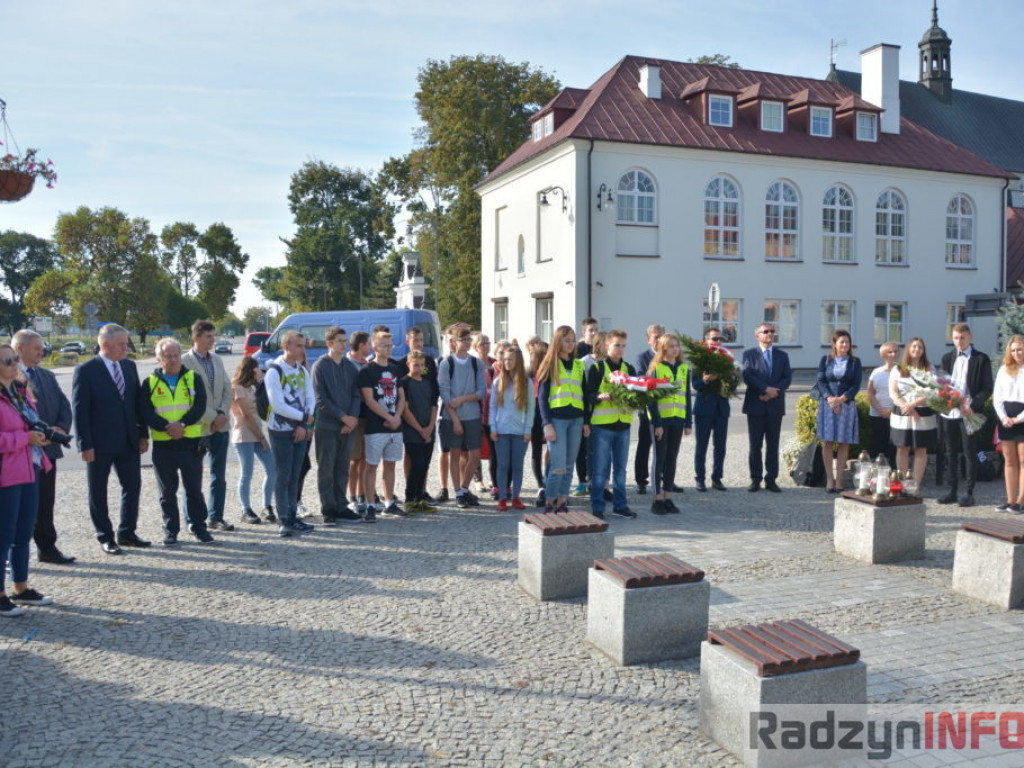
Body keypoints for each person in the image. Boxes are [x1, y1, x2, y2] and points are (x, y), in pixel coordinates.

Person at [72, 323, 150, 554]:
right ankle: (105, 536)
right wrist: (85, 444)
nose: (126, 348)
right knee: (98, 490)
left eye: (127, 343)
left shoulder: (128, 366)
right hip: (99, 444)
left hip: (128, 441)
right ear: (105, 345)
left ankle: (127, 532)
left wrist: (142, 434)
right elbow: (80, 410)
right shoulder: (86, 370)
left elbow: (137, 404)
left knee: (133, 486)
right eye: (122, 344)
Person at [139, 338, 215, 545]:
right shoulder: (150, 383)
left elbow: (199, 407)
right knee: (167, 492)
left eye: (175, 355)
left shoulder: (193, 378)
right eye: (167, 356)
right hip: (164, 445)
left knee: (194, 490)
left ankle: (199, 527)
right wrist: (167, 427)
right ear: (158, 359)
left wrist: (181, 424)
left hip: (190, 443)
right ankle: (171, 530)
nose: (172, 360)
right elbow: (145, 412)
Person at [1, 342, 54, 617]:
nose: (14, 364)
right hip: (6, 474)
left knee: (23, 532)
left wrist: (43, 433)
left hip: (30, 467)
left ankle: (21, 589)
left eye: (14, 359)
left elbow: (31, 423)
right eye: (8, 361)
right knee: (4, 534)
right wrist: (26, 438)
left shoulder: (20, 391)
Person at [13, 329, 74, 564]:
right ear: (20, 349)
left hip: (49, 450)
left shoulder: (46, 375)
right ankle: (14, 555)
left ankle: (47, 547)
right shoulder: (9, 378)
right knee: (20, 506)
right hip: (22, 453)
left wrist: (60, 428)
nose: (42, 352)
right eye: (37, 348)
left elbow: (63, 404)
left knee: (45, 502)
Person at [182, 320, 233, 531]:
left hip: (220, 427)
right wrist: (211, 416)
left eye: (213, 335)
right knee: (192, 477)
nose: (213, 340)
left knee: (218, 475)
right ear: (196, 337)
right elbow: (188, 398)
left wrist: (221, 414)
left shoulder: (217, 360)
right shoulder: (184, 361)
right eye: (208, 336)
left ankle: (216, 516)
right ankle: (193, 520)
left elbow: (227, 389)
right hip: (197, 427)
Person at [265, 330, 316, 536]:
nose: (303, 350)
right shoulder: (274, 372)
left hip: (301, 429)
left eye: (304, 346)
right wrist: (302, 419)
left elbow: (310, 398)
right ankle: (284, 519)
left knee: (296, 474)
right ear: (286, 347)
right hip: (280, 431)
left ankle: (294, 516)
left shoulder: (302, 371)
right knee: (283, 475)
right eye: (298, 346)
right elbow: (277, 404)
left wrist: (304, 425)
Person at [311, 327, 363, 524]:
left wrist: (352, 419)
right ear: (329, 343)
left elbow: (356, 395)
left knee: (342, 468)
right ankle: (328, 508)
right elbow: (320, 399)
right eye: (340, 341)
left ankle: (341, 505)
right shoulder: (320, 366)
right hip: (327, 426)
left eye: (345, 340)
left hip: (348, 427)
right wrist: (343, 417)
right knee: (326, 469)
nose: (344, 344)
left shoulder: (350, 367)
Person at [937, 323, 993, 508]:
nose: (959, 342)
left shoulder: (981, 359)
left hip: (970, 413)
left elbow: (987, 388)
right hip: (950, 413)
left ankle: (969, 492)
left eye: (962, 338)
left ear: (970, 337)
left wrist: (973, 404)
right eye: (955, 338)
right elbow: (942, 385)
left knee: (970, 452)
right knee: (950, 452)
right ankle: (952, 490)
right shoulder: (947, 358)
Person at [586, 329, 638, 519]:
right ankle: (598, 507)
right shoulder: (598, 369)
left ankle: (620, 505)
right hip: (602, 426)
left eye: (623, 345)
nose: (620, 349)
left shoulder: (629, 369)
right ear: (607, 346)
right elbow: (589, 395)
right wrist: (599, 397)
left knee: (621, 469)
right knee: (600, 469)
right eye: (617, 345)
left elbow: (635, 394)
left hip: (623, 425)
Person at [358, 331, 407, 519]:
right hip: (375, 426)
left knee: (391, 465)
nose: (389, 348)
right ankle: (370, 504)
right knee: (371, 466)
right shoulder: (367, 371)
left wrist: (397, 417)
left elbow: (401, 396)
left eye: (391, 345)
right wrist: (388, 416)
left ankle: (389, 502)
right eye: (385, 345)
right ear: (375, 347)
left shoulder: (395, 369)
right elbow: (369, 400)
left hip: (395, 426)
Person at [539, 326, 585, 515]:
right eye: (567, 340)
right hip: (556, 421)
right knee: (557, 466)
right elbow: (542, 398)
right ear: (558, 342)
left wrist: (587, 422)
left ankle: (563, 501)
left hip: (576, 419)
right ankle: (549, 501)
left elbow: (585, 392)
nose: (571, 344)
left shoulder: (579, 365)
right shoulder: (550, 364)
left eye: (573, 340)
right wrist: (546, 424)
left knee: (568, 465)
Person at [438, 328, 485, 509]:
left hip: (472, 415)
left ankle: (465, 489)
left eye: (468, 339)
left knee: (475, 454)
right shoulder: (446, 364)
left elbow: (481, 391)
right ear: (454, 342)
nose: (466, 342)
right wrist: (455, 419)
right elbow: (445, 393)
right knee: (455, 454)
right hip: (452, 417)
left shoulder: (476, 363)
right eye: (462, 339)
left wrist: (464, 399)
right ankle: (457, 492)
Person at [741, 322, 791, 493]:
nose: (770, 334)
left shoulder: (782, 355)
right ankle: (755, 479)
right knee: (755, 445)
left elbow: (787, 378)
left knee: (773, 444)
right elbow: (748, 376)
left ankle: (771, 479)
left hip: (775, 405)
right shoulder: (749, 354)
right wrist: (764, 389)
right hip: (756, 405)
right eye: (766, 331)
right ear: (758, 336)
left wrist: (772, 392)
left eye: (772, 331)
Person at [647, 334, 692, 513]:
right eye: (671, 346)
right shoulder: (656, 369)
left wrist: (688, 422)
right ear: (663, 349)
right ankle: (656, 499)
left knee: (672, 459)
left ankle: (668, 497)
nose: (675, 349)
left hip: (678, 419)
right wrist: (656, 423)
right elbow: (650, 399)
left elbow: (687, 397)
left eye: (677, 346)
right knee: (660, 459)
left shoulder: (683, 369)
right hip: (661, 421)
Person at [888, 337, 938, 496]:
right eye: (914, 346)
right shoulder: (898, 368)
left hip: (923, 413)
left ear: (923, 351)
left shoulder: (929, 368)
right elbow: (893, 392)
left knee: (920, 449)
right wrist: (906, 406)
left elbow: (932, 391)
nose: (917, 349)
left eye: (920, 347)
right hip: (902, 413)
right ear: (909, 349)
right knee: (902, 448)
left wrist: (913, 405)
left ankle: (915, 486)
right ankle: (902, 484)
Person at [230, 356, 276, 524]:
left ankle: (267, 506)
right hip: (244, 435)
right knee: (247, 473)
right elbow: (247, 416)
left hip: (257, 433)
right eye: (257, 368)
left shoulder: (252, 388)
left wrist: (263, 381)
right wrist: (262, 437)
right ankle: (246, 508)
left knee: (271, 469)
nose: (259, 371)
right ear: (250, 369)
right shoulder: (238, 388)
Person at [815, 330, 862, 494]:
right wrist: (830, 399)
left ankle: (840, 479)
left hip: (847, 405)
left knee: (843, 442)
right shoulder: (826, 360)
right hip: (827, 405)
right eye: (841, 342)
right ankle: (830, 479)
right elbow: (820, 380)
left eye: (847, 342)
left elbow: (856, 385)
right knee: (827, 442)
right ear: (834, 344)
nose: (844, 345)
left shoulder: (855, 362)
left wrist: (841, 400)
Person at [490, 345, 534, 511]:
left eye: (510, 359)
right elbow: (493, 407)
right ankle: (502, 498)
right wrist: (493, 428)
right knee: (502, 465)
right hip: (501, 431)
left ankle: (515, 497)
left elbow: (530, 409)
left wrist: (528, 429)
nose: (506, 362)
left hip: (519, 432)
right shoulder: (497, 382)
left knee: (517, 465)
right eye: (505, 359)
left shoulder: (526, 383)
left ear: (518, 361)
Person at [398, 326, 438, 504]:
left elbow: (434, 399)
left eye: (421, 340)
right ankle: (411, 496)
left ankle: (420, 495)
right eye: (415, 340)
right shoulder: (401, 369)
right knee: (416, 462)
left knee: (424, 464)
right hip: (412, 426)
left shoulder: (430, 364)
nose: (418, 343)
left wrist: (429, 426)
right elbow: (403, 405)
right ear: (408, 341)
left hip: (428, 422)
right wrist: (420, 429)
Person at [692, 327, 730, 492]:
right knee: (702, 446)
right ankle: (700, 479)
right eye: (714, 339)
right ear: (707, 341)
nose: (718, 342)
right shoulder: (699, 360)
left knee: (720, 446)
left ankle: (717, 478)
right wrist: (706, 381)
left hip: (721, 408)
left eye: (721, 339)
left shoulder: (728, 359)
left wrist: (727, 390)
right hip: (704, 409)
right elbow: (695, 385)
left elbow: (733, 382)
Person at [994, 335, 1024, 513]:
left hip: (1022, 417)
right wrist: (1004, 417)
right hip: (1006, 417)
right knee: (1009, 461)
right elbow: (997, 397)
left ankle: (1021, 501)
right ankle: (1010, 499)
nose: (1016, 353)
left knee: (1023, 460)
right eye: (1013, 350)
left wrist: (1019, 418)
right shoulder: (1004, 369)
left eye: (1019, 349)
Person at [633, 324, 664, 494]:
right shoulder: (642, 357)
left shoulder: (669, 356)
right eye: (655, 337)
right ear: (648, 339)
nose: (659, 340)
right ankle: (641, 480)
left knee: (665, 447)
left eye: (661, 336)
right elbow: (640, 378)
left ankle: (665, 478)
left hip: (667, 408)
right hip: (648, 408)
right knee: (645, 445)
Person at [346, 331, 372, 514]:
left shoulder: (367, 363)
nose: (370, 346)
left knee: (364, 458)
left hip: (368, 417)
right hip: (353, 417)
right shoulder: (347, 365)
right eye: (368, 343)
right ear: (361, 344)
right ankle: (352, 497)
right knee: (354, 459)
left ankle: (363, 495)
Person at [866, 342, 899, 468]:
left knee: (894, 446)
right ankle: (878, 473)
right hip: (877, 414)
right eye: (890, 352)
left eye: (895, 351)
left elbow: (903, 394)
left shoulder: (902, 371)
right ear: (883, 355)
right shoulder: (876, 372)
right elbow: (870, 392)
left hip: (895, 413)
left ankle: (894, 473)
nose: (894, 354)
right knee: (878, 444)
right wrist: (879, 409)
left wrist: (891, 410)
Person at [527, 340, 549, 507]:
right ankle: (541, 485)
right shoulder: (529, 374)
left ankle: (549, 483)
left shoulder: (551, 372)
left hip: (549, 415)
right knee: (536, 451)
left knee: (551, 450)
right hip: (534, 416)